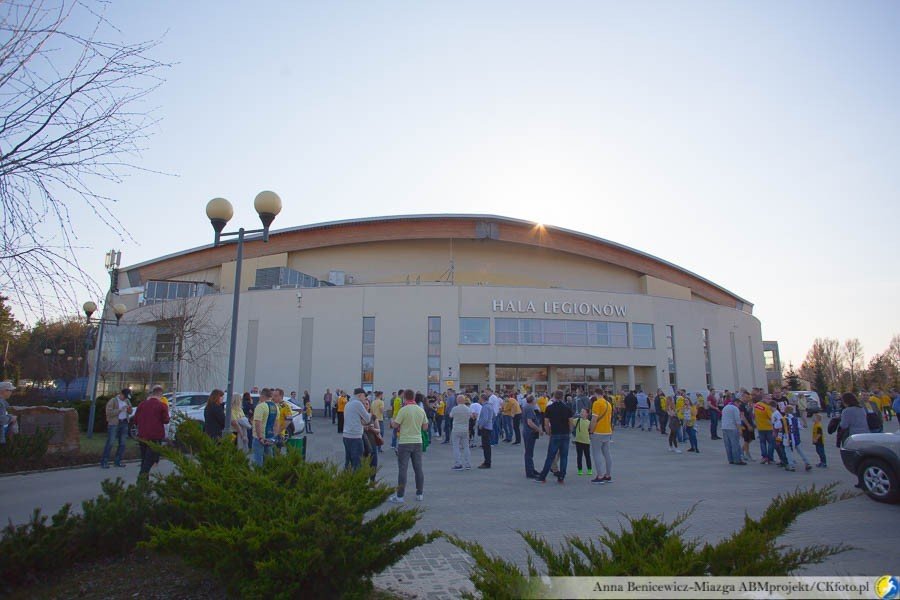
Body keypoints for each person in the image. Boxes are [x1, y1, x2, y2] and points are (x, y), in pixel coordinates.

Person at [388, 390, 428, 503]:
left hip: (405, 442)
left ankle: (400, 496)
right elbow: (425, 427)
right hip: (417, 442)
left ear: (405, 397)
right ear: (414, 397)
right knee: (418, 468)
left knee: (403, 469)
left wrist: (392, 421)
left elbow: (395, 425)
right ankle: (419, 494)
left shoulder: (403, 410)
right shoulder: (420, 410)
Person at [535, 391, 573, 484]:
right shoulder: (567, 408)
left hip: (555, 433)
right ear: (563, 397)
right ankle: (561, 477)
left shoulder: (549, 408)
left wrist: (548, 432)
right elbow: (571, 422)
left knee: (550, 456)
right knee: (564, 456)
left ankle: (543, 476)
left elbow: (546, 422)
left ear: (554, 397)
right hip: (565, 434)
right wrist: (569, 431)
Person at [133, 385, 170, 479]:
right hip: (155, 436)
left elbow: (135, 420)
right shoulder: (162, 405)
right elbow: (166, 420)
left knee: (144, 459)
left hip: (142, 435)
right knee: (149, 460)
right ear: (160, 395)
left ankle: (144, 480)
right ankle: (142, 479)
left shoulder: (142, 404)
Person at [101, 388, 133, 468]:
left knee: (122, 443)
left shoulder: (127, 401)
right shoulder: (113, 401)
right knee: (110, 442)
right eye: (124, 396)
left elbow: (130, 412)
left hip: (124, 423)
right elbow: (109, 413)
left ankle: (118, 461)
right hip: (114, 424)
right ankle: (104, 461)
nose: (125, 398)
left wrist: (129, 410)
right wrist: (120, 410)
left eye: (127, 397)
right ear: (121, 394)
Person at [343, 388, 371, 471]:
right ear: (359, 395)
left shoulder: (348, 404)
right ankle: (357, 478)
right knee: (357, 463)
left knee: (348, 462)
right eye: (364, 396)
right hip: (355, 437)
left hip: (346, 436)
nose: (365, 398)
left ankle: (347, 477)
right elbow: (367, 419)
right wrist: (369, 412)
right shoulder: (357, 403)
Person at [589, 392, 613, 484]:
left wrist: (591, 430)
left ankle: (600, 476)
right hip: (607, 430)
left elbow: (594, 419)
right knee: (607, 453)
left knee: (597, 453)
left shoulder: (597, 403)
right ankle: (608, 475)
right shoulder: (608, 404)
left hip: (598, 431)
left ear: (595, 394)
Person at [252, 388, 279, 466]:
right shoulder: (275, 407)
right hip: (270, 437)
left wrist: (260, 437)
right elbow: (277, 423)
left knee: (258, 460)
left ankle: (259, 472)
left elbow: (258, 423)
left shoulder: (260, 406)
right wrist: (274, 437)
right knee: (269, 460)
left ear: (262, 396)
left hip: (260, 438)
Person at [449, 393, 472, 471]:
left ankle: (458, 464)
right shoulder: (468, 409)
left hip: (456, 429)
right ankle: (468, 464)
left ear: (457, 400)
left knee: (456, 447)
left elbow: (450, 416)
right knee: (466, 447)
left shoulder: (454, 408)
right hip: (465, 429)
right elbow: (471, 416)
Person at [785, 406, 812, 471]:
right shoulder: (795, 419)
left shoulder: (784, 419)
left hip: (788, 437)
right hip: (796, 437)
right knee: (800, 450)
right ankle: (807, 462)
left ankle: (791, 465)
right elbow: (800, 427)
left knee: (788, 451)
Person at [721, 395, 745, 465]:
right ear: (736, 402)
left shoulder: (725, 407)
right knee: (735, 444)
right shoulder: (735, 408)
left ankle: (730, 459)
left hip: (724, 427)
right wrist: (740, 430)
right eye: (739, 404)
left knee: (728, 445)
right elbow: (737, 420)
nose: (739, 406)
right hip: (732, 427)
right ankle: (737, 460)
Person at [522, 395, 541, 478]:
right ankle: (530, 472)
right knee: (529, 453)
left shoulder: (527, 407)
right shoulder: (529, 408)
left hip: (528, 432)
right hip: (530, 433)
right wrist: (538, 429)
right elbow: (530, 422)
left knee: (529, 452)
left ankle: (531, 469)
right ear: (532, 400)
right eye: (535, 399)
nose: (536, 401)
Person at [754, 396, 775, 464]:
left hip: (760, 427)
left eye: (770, 399)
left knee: (762, 443)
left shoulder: (757, 405)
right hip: (768, 427)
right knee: (771, 443)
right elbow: (772, 417)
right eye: (768, 399)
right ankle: (770, 458)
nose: (770, 400)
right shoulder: (767, 407)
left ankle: (764, 457)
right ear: (764, 399)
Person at [476, 394, 495, 468]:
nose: (479, 400)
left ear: (482, 399)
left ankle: (487, 462)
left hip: (485, 428)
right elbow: (493, 415)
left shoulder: (485, 407)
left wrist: (481, 425)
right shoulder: (490, 406)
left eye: (480, 398)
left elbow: (485, 418)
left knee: (486, 446)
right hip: (489, 427)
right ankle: (487, 461)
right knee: (487, 445)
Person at [572, 408, 592, 476]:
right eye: (581, 411)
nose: (581, 413)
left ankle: (589, 469)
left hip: (586, 442)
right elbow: (570, 422)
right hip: (578, 441)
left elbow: (591, 430)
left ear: (587, 414)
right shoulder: (577, 420)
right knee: (579, 456)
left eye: (583, 412)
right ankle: (580, 470)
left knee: (587, 456)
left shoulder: (589, 422)